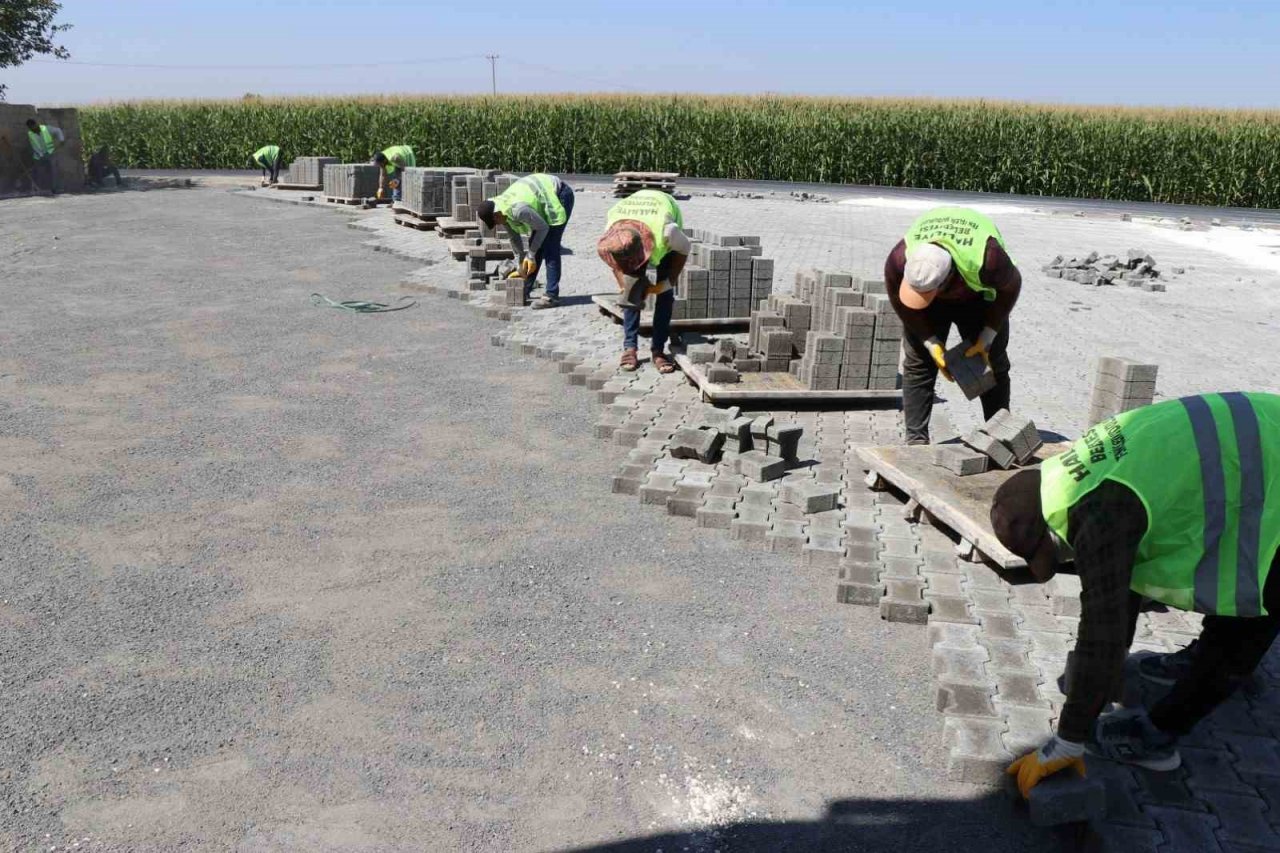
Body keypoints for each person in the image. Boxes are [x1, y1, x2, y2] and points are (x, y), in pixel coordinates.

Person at [990, 392, 1280, 799]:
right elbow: (1119, 591)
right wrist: (1100, 677)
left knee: (1253, 614)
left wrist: (1069, 739)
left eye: (1054, 555)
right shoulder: (1077, 471)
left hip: (1270, 469)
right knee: (1240, 574)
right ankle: (1200, 661)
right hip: (1262, 443)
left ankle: (1161, 734)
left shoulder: (1099, 512)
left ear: (1050, 533)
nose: (1069, 561)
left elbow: (1102, 626)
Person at [884, 207, 1022, 445]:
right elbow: (902, 303)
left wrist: (987, 338)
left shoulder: (988, 259)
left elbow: (1010, 288)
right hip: (936, 299)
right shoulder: (899, 258)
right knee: (918, 364)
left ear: (948, 278)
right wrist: (930, 341)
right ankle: (916, 442)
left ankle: (999, 437)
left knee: (992, 365)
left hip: (978, 298)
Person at [596, 190, 691, 374]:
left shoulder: (667, 231)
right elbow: (616, 266)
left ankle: (658, 350)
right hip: (632, 230)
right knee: (631, 292)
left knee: (665, 296)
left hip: (661, 218)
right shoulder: (612, 233)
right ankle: (629, 347)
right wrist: (627, 289)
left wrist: (667, 284)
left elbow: (684, 249)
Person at [476, 174, 575, 310]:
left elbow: (543, 228)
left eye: (495, 222)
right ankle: (525, 288)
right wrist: (520, 265)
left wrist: (531, 254)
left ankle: (552, 296)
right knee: (536, 245)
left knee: (550, 246)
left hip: (559, 195)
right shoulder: (501, 211)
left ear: (496, 214)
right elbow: (514, 238)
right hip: (540, 198)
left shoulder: (517, 210)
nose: (497, 224)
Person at [26, 118, 65, 194]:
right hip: (38, 156)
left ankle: (54, 189)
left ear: (36, 124)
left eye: (33, 127)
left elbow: (58, 130)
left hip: (50, 153)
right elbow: (34, 146)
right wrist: (40, 155)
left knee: (53, 170)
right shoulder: (30, 133)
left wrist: (61, 140)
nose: (32, 129)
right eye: (30, 128)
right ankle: (37, 189)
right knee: (38, 171)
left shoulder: (47, 129)